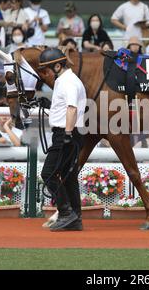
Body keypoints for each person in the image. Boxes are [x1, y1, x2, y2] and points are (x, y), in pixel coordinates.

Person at [38, 48, 87, 231]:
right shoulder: (64, 81)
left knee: (48, 173)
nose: (45, 74)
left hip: (67, 134)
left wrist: (66, 134)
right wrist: (49, 106)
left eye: (46, 70)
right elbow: (63, 109)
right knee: (68, 177)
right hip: (69, 132)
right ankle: (76, 217)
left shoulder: (68, 82)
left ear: (57, 66)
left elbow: (72, 108)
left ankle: (66, 213)